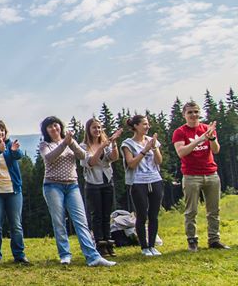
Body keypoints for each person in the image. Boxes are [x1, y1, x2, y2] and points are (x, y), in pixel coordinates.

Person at [39, 116, 116, 267]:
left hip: (72, 185)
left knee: (81, 222)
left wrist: (71, 143)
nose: (54, 129)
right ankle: (65, 255)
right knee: (59, 221)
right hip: (52, 186)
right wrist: (64, 144)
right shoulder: (45, 144)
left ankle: (93, 257)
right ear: (46, 130)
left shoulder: (70, 141)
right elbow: (49, 158)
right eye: (50, 127)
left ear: (60, 126)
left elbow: (84, 157)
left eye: (56, 125)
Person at [172, 101, 230, 251]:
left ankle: (214, 240)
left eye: (196, 112)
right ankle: (192, 240)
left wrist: (210, 138)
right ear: (184, 114)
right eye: (190, 112)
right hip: (191, 176)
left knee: (214, 210)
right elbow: (181, 152)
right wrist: (199, 139)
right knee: (191, 210)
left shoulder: (207, 129)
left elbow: (216, 150)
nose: (193, 115)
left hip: (211, 174)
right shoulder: (180, 132)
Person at [0, 120, 29, 264]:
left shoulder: (10, 145)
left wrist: (13, 150)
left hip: (13, 191)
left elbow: (18, 155)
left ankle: (19, 254)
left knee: (16, 225)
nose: (0, 132)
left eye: (2, 130)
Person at [121, 114, 163, 256]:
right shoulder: (127, 144)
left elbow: (159, 161)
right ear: (136, 126)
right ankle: (144, 247)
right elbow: (131, 164)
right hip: (138, 182)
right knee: (142, 214)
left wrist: (154, 147)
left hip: (155, 179)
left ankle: (152, 245)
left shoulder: (152, 140)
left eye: (148, 124)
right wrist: (145, 150)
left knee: (154, 214)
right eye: (144, 124)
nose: (147, 126)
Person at [80, 118, 122, 257]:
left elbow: (114, 158)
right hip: (93, 183)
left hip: (107, 180)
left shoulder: (105, 143)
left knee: (106, 214)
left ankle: (109, 242)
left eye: (99, 128)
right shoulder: (84, 146)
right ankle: (100, 243)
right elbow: (90, 162)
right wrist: (101, 147)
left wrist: (114, 143)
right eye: (94, 128)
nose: (97, 130)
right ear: (88, 130)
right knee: (96, 214)